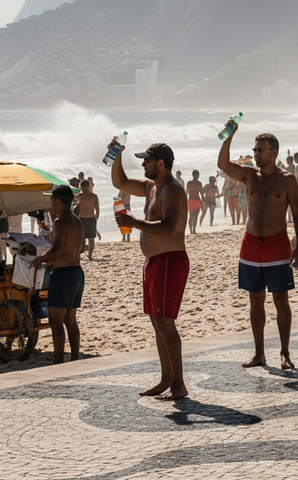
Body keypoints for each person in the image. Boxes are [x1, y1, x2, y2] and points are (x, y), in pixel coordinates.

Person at [218, 125, 298, 370]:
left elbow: (297, 214)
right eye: (255, 149)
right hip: (251, 245)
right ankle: (259, 354)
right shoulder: (248, 175)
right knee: (255, 300)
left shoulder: (287, 180)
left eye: (261, 150)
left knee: (281, 300)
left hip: (277, 245)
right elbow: (223, 164)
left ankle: (285, 352)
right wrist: (229, 136)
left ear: (274, 152)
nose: (256, 154)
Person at [110, 141, 190, 401]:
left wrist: (135, 222)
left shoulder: (172, 189)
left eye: (147, 160)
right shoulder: (150, 187)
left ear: (160, 164)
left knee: (165, 322)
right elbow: (120, 182)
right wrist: (117, 155)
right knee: (157, 322)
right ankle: (166, 379)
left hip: (169, 260)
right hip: (154, 262)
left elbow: (169, 227)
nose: (143, 164)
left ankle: (178, 385)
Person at [32, 186, 84, 365]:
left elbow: (56, 250)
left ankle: (59, 362)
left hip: (64, 276)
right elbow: (80, 248)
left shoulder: (60, 222)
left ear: (58, 201)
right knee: (70, 320)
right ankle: (75, 358)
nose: (50, 204)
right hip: (76, 273)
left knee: (56, 321)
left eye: (52, 200)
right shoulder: (77, 221)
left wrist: (40, 259)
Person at [75, 180, 100, 261]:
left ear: (89, 187)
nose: (84, 190)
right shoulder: (80, 196)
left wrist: (97, 217)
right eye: (83, 188)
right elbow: (71, 200)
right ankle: (79, 254)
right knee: (81, 238)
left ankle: (90, 255)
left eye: (86, 188)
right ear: (81, 188)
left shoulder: (94, 196)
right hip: (82, 218)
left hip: (91, 218)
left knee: (91, 238)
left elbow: (97, 208)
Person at [186, 170, 203, 234]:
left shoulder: (189, 183)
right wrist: (202, 202)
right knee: (195, 216)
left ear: (192, 175)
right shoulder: (199, 183)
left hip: (190, 200)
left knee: (191, 216)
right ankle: (193, 230)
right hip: (197, 200)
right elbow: (201, 194)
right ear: (198, 175)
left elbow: (187, 192)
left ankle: (191, 230)